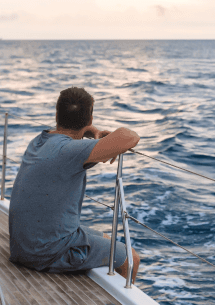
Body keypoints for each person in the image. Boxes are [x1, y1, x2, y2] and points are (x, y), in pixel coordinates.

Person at [9, 87, 141, 283]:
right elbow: (128, 136)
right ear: (90, 118)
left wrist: (89, 131)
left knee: (106, 237)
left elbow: (74, 148)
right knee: (130, 258)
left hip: (21, 248)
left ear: (56, 114)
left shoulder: (39, 141)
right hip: (45, 254)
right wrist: (96, 132)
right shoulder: (72, 151)